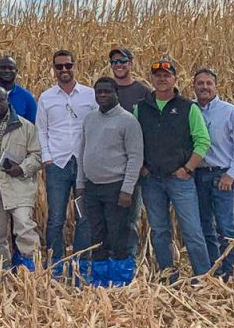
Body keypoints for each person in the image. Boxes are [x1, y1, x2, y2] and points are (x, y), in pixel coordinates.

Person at [136, 57, 212, 281]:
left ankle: (203, 278)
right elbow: (133, 141)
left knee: (192, 231)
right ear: (152, 79)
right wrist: (141, 167)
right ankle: (168, 277)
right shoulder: (140, 108)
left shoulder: (188, 108)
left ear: (174, 79)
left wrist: (188, 169)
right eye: (158, 76)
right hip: (152, 181)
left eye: (166, 76)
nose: (162, 80)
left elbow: (202, 141)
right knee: (159, 232)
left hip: (180, 179)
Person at [75, 78, 143, 287]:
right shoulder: (90, 119)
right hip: (93, 187)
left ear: (116, 93)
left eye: (107, 91)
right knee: (97, 234)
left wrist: (127, 189)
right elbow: (82, 151)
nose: (102, 95)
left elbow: (135, 157)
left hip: (116, 187)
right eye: (99, 92)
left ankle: (121, 279)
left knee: (119, 234)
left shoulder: (128, 120)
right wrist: (80, 182)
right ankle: (100, 279)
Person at [36, 49, 96, 280]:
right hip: (58, 165)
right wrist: (47, 158)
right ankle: (56, 264)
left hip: (83, 164)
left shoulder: (89, 95)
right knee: (56, 217)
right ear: (53, 69)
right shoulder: (46, 97)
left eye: (68, 66)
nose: (64, 70)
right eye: (59, 66)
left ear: (75, 66)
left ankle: (81, 262)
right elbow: (41, 129)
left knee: (84, 216)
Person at [192, 68, 234, 280]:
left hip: (221, 177)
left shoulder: (229, 112)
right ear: (194, 87)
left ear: (216, 86)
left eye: (209, 83)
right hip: (197, 176)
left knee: (226, 227)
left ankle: (229, 272)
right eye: (200, 83)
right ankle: (212, 270)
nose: (204, 87)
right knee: (203, 226)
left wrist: (231, 174)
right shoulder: (189, 110)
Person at [0, 87, 41, 272]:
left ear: (8, 101)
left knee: (24, 228)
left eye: (0, 100)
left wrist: (21, 168)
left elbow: (37, 155)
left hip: (19, 187)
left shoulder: (25, 126)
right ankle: (0, 273)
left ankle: (32, 270)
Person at [108, 46, 150, 258]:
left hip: (134, 166)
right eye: (114, 62)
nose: (118, 65)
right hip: (109, 167)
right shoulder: (105, 91)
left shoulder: (143, 93)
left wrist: (144, 163)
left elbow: (153, 129)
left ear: (131, 63)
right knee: (111, 217)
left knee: (131, 217)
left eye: (122, 61)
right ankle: (111, 258)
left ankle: (129, 259)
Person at [0, 55, 37, 123]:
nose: (7, 71)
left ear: (16, 71)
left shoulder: (27, 98)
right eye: (3, 68)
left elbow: (33, 126)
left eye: (10, 68)